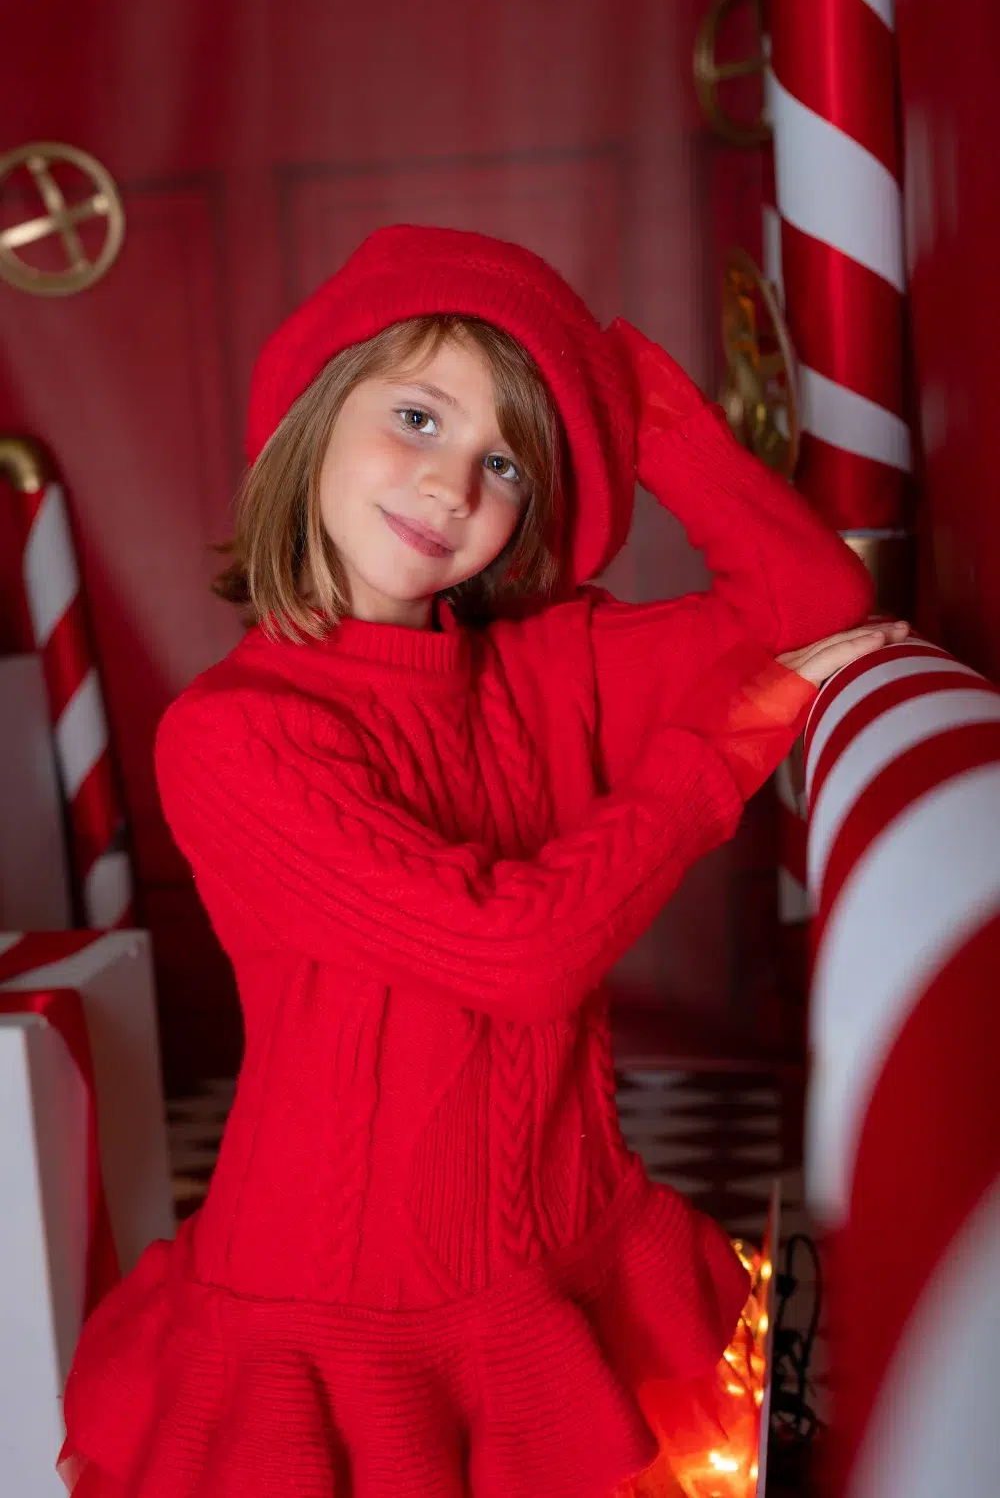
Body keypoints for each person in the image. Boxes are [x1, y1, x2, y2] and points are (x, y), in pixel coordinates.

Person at [58, 225, 905, 1498]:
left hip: (555, 1249)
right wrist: (722, 747)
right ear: (314, 414)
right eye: (415, 414)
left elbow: (812, 605)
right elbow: (517, 953)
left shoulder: (542, 671)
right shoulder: (235, 734)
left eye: (502, 458)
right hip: (346, 1309)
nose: (449, 485)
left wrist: (629, 398)